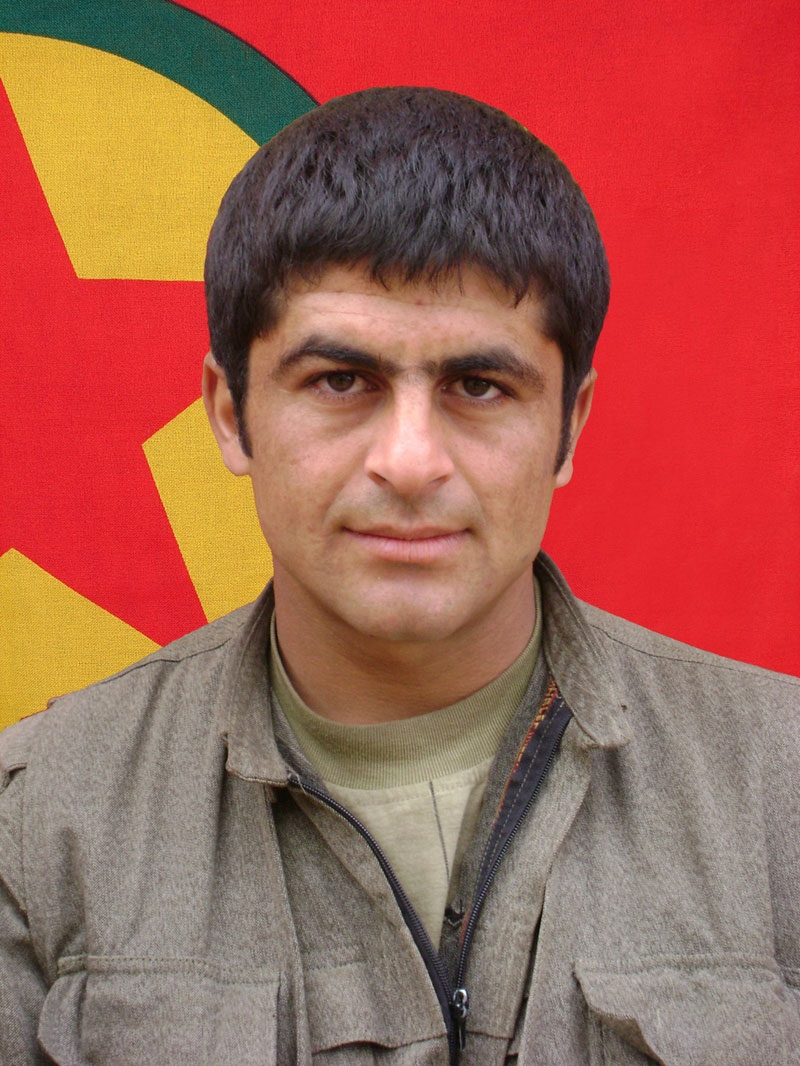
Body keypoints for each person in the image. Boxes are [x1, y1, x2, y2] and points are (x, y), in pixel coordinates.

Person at [0, 86, 797, 1066]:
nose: (411, 461)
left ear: (569, 425)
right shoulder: (40, 826)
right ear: (229, 412)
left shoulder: (781, 789)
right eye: (340, 380)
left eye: (478, 386)